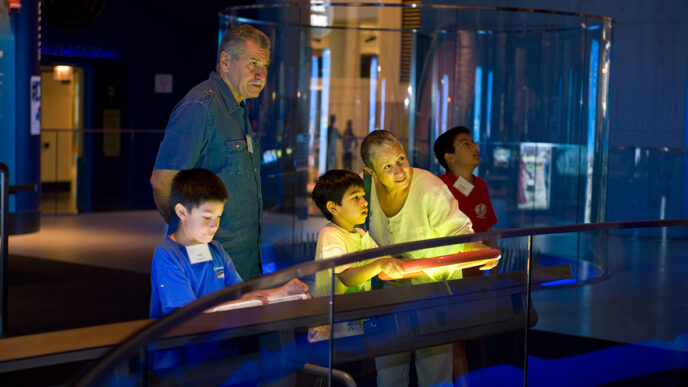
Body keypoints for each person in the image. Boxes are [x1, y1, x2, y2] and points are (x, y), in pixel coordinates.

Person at [360, 130, 498, 387]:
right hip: (387, 294)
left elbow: (459, 233)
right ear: (371, 172)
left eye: (401, 159)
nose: (400, 170)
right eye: (387, 166)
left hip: (431, 292)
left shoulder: (429, 186)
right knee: (389, 372)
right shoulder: (364, 187)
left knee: (435, 372)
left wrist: (478, 251)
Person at [150, 24, 271, 280]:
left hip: (239, 266)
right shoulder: (200, 106)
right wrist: (187, 235)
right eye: (252, 64)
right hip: (206, 271)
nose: (261, 74)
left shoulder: (237, 110)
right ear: (226, 61)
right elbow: (163, 182)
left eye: (265, 66)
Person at [149, 168, 308, 319]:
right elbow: (186, 316)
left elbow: (242, 294)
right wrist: (241, 303)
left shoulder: (216, 250)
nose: (214, 225)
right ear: (181, 212)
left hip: (219, 344)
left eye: (218, 216)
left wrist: (284, 291)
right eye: (206, 217)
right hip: (180, 346)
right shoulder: (168, 255)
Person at [311, 169, 404, 297]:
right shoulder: (330, 235)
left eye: (363, 196)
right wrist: (381, 264)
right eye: (356, 197)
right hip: (336, 314)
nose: (365, 202)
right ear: (333, 208)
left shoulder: (360, 233)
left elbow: (383, 259)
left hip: (356, 311)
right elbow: (347, 277)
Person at [433, 126, 498, 235]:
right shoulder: (439, 187)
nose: (475, 147)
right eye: (466, 144)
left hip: (480, 251)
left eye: (474, 143)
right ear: (450, 157)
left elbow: (488, 230)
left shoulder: (481, 185)